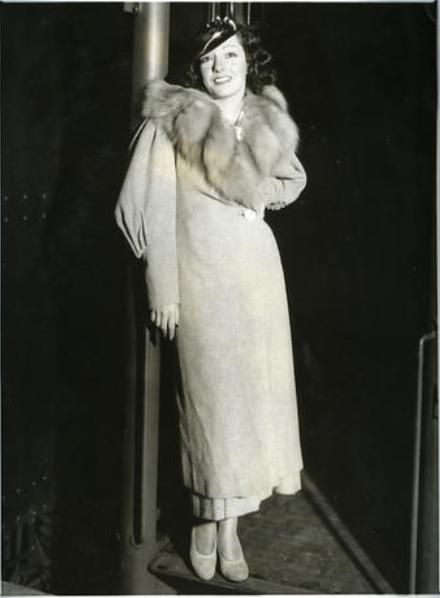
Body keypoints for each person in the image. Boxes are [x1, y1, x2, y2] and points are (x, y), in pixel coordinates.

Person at [115, 16, 307, 583]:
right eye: (209, 58)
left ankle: (230, 529)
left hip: (259, 285)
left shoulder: (265, 118)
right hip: (202, 282)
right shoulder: (175, 118)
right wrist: (164, 287)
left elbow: (293, 179)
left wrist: (259, 197)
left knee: (250, 409)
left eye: (230, 55)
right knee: (211, 409)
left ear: (249, 62)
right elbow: (145, 206)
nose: (220, 67)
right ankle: (205, 519)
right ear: (196, 69)